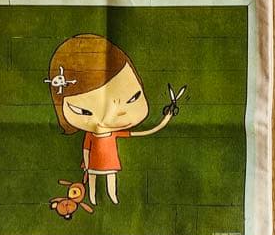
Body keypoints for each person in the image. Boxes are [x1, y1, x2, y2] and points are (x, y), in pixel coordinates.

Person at [47, 34, 183, 206]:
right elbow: (86, 149)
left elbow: (144, 132)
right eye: (83, 111)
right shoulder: (91, 135)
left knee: (111, 179)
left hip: (110, 162)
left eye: (133, 98)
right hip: (93, 165)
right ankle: (93, 198)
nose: (114, 115)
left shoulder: (112, 133)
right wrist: (87, 166)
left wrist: (165, 119)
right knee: (93, 181)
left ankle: (112, 197)